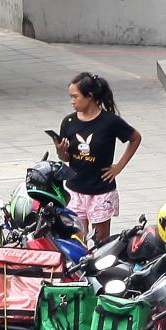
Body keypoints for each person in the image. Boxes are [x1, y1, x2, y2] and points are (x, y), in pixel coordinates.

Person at [54, 73, 142, 244]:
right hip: (74, 189)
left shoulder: (110, 122)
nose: (72, 101)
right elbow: (65, 158)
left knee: (101, 239)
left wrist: (118, 167)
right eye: (70, 97)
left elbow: (135, 138)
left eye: (75, 96)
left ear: (90, 96)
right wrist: (60, 151)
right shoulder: (69, 122)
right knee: (77, 237)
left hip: (101, 190)